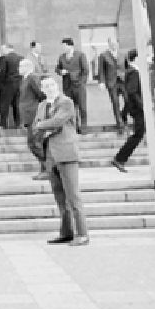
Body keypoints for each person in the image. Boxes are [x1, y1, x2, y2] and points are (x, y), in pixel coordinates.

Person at [33, 75, 89, 246]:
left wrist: (43, 125)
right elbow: (36, 124)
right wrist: (43, 125)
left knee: (73, 196)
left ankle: (82, 234)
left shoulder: (66, 102)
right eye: (45, 86)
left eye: (51, 85)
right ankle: (66, 233)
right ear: (42, 89)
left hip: (66, 154)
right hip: (50, 156)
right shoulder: (42, 105)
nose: (49, 88)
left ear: (56, 86)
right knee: (60, 198)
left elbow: (58, 121)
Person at [112, 49, 145, 172]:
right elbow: (131, 92)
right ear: (135, 59)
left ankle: (120, 158)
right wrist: (143, 106)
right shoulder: (134, 72)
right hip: (138, 109)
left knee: (139, 134)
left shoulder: (132, 71)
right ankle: (119, 158)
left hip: (137, 108)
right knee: (138, 134)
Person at [18, 57, 48, 179]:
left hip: (33, 114)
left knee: (34, 143)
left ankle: (48, 168)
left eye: (21, 66)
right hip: (28, 115)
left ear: (27, 67)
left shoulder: (32, 78)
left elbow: (41, 94)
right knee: (33, 143)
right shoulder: (24, 79)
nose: (19, 69)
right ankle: (45, 168)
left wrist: (40, 110)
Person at [55, 37, 89, 133]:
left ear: (70, 45)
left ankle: (83, 127)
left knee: (82, 107)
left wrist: (82, 82)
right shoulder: (61, 57)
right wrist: (61, 71)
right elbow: (57, 69)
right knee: (70, 108)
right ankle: (74, 127)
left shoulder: (80, 55)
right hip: (67, 86)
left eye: (64, 46)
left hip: (79, 85)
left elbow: (85, 70)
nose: (63, 48)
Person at [97, 39, 125, 133]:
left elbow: (127, 67)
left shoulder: (122, 54)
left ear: (118, 44)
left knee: (129, 100)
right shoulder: (103, 55)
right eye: (111, 44)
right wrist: (101, 82)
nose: (113, 45)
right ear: (108, 44)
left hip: (123, 81)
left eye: (115, 43)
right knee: (115, 103)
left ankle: (123, 114)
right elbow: (101, 70)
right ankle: (120, 124)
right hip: (111, 83)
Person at [0, 42, 22, 129]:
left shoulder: (5, 59)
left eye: (3, 49)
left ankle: (3, 124)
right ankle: (18, 123)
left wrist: (0, 84)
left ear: (8, 48)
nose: (2, 51)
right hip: (19, 83)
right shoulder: (21, 58)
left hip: (8, 84)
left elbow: (2, 73)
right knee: (17, 105)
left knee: (5, 105)